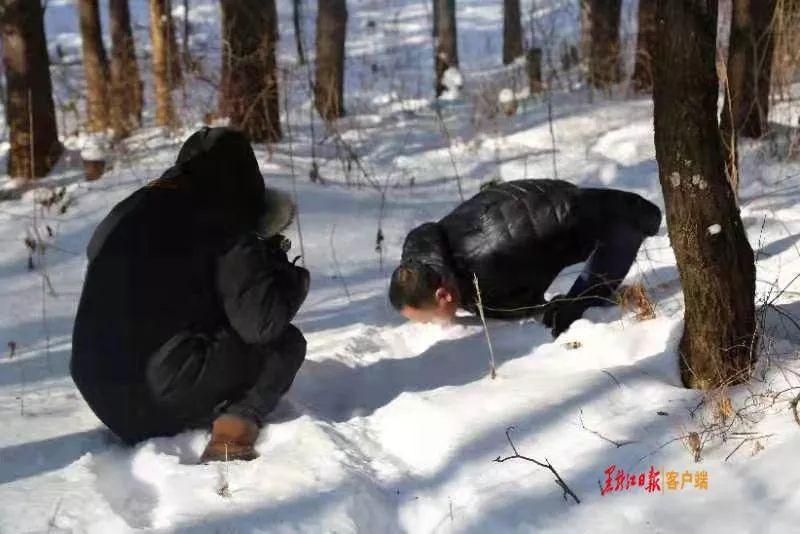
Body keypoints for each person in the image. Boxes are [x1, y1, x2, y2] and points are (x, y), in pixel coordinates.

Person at [71, 127, 310, 462]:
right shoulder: (224, 220)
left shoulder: (128, 210)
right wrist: (289, 277)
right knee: (285, 344)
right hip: (158, 397)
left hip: (100, 394)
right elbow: (262, 325)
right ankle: (237, 423)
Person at [389, 179, 662, 337]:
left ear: (443, 296)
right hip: (538, 219)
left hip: (577, 217)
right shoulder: (430, 258)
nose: (434, 324)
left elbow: (569, 209)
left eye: (429, 319)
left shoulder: (491, 262)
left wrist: (573, 306)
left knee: (575, 311)